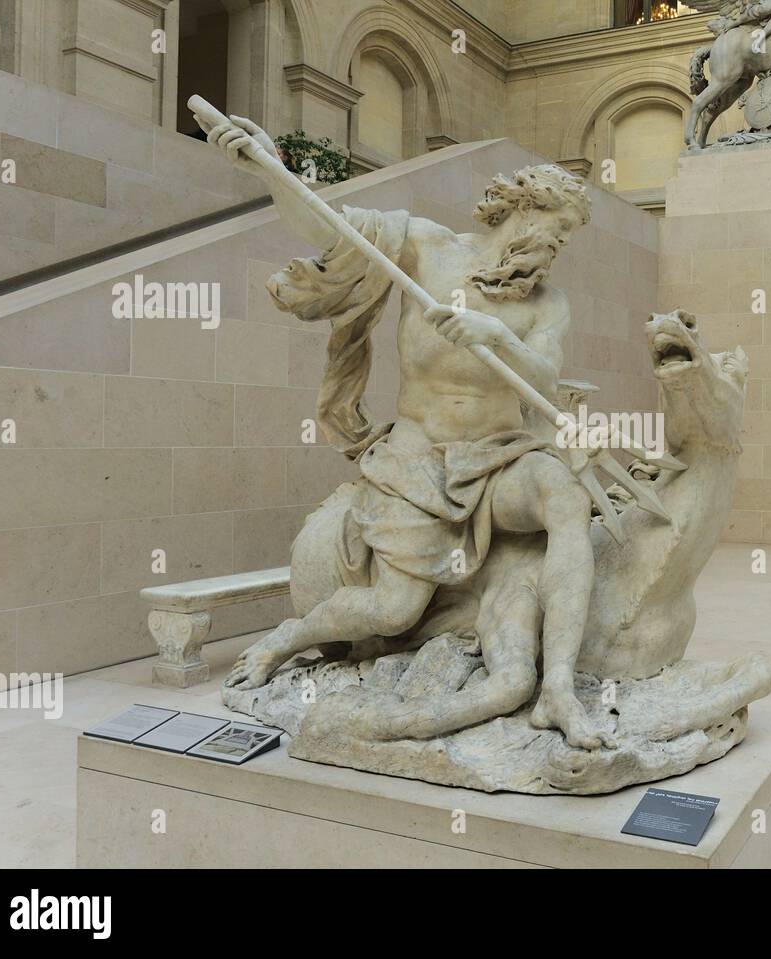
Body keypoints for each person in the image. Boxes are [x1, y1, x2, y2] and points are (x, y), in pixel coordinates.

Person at [202, 113, 613, 749]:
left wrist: (498, 336)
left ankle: (557, 684)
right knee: (393, 610)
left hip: (500, 458)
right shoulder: (423, 247)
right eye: (556, 232)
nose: (557, 249)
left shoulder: (545, 303)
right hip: (419, 460)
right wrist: (266, 167)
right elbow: (326, 228)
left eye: (565, 241)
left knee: (563, 492)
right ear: (524, 210)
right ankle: (287, 638)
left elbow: (548, 380)